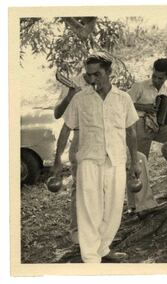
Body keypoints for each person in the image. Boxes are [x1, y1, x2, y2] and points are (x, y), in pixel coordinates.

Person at [52, 52, 141, 263]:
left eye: (97, 74)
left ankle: (103, 248)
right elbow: (66, 130)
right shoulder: (80, 98)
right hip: (89, 161)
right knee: (89, 209)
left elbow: (131, 132)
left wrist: (135, 161)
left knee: (113, 209)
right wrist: (57, 161)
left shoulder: (123, 98)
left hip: (116, 160)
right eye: (88, 75)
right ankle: (91, 259)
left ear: (109, 72)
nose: (92, 80)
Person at [126, 58, 167, 214]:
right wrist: (145, 107)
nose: (156, 79)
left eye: (160, 77)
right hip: (139, 123)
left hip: (157, 125)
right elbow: (125, 103)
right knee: (139, 160)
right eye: (154, 75)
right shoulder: (139, 86)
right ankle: (137, 205)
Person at [51, 71, 91, 244]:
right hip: (80, 137)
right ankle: (76, 231)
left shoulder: (104, 82)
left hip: (101, 137)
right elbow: (57, 114)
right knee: (80, 186)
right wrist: (69, 96)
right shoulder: (73, 82)